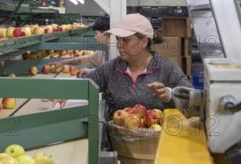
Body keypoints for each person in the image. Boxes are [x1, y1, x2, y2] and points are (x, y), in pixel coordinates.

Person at [48, 14, 192, 113]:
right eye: (118, 39)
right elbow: (86, 84)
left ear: (144, 42)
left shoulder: (167, 69)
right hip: (119, 147)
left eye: (126, 40)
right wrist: (63, 92)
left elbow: (192, 101)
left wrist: (169, 94)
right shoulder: (112, 69)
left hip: (157, 147)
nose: (120, 45)